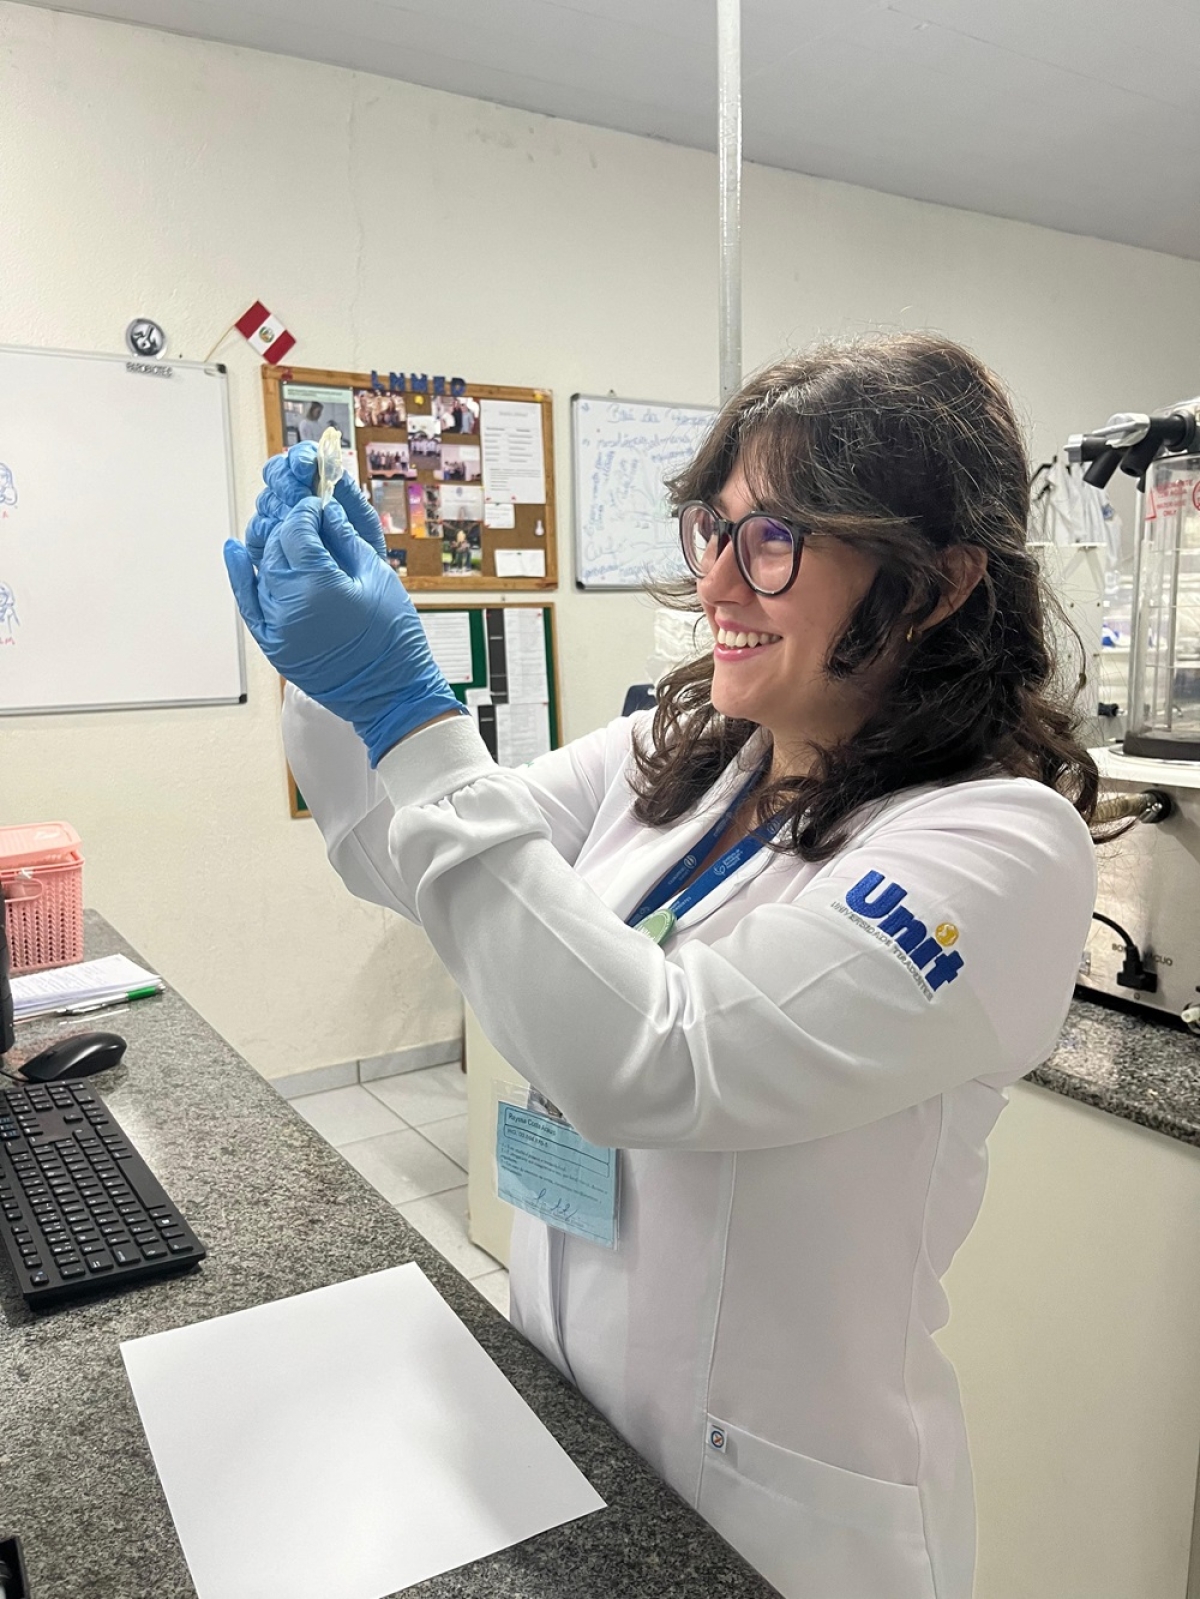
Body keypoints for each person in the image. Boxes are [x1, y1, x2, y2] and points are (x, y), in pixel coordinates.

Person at [225, 333, 1098, 1599]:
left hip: (781, 1513)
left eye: (776, 538)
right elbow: (405, 858)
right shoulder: (687, 756)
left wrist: (412, 712)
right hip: (568, 1425)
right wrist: (328, 691)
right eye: (713, 524)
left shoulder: (1000, 845)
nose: (718, 585)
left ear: (938, 584)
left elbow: (657, 1060)